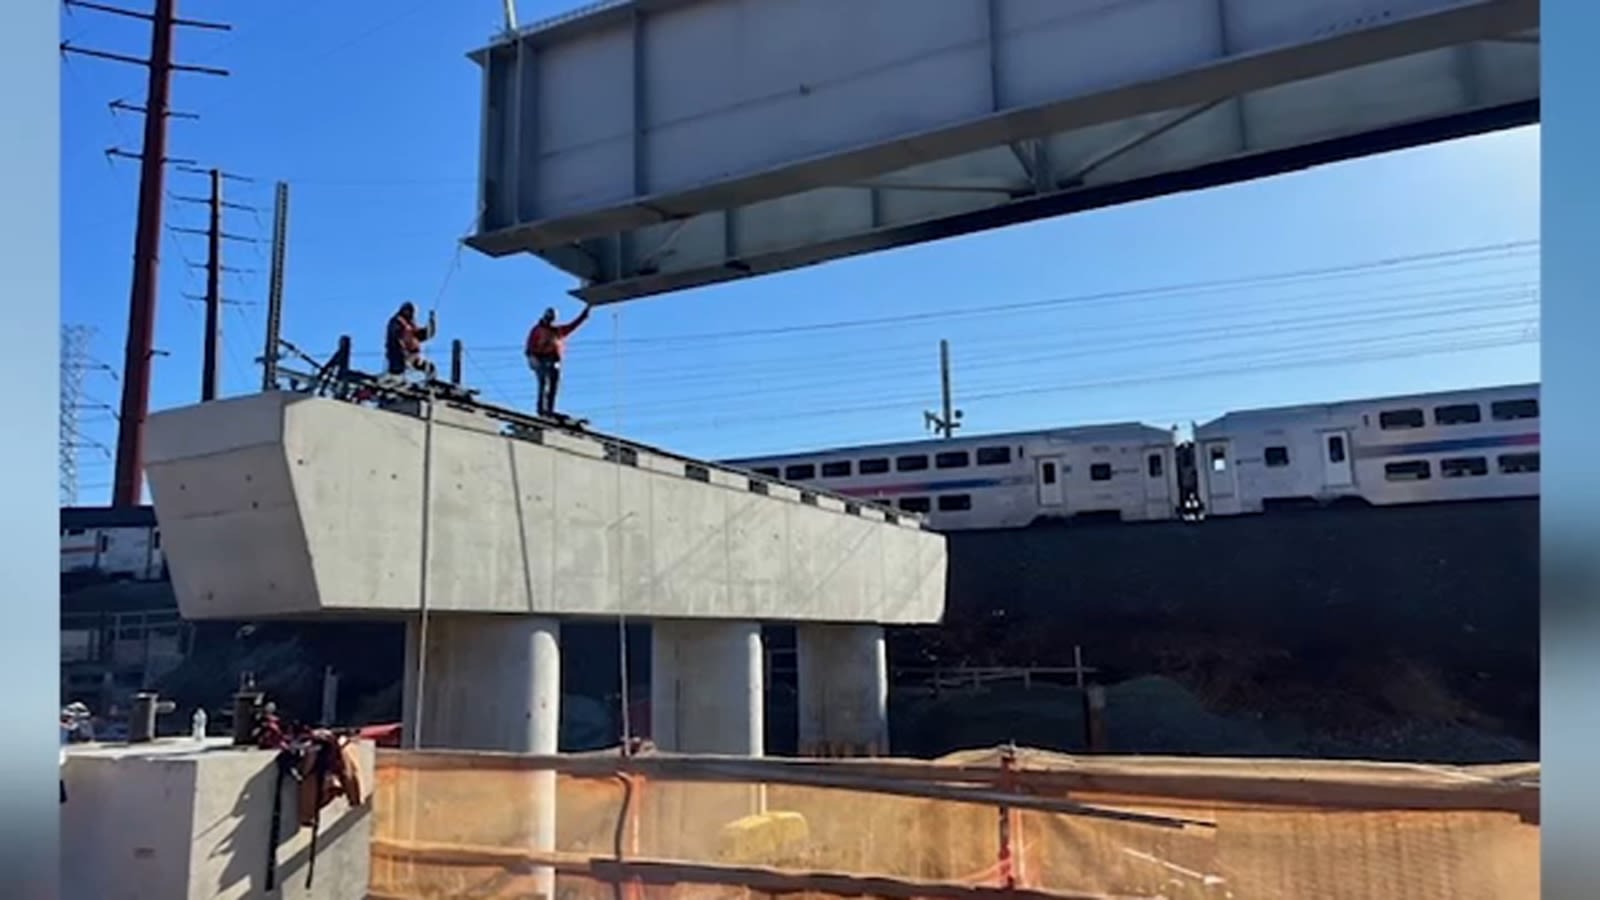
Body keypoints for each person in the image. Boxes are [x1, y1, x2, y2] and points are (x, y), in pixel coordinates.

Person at [525, 303, 591, 417]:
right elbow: (530, 345)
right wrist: (531, 358)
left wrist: (585, 312)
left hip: (554, 360)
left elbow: (573, 325)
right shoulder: (537, 329)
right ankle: (542, 409)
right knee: (544, 383)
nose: (550, 321)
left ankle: (549, 409)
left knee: (553, 386)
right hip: (541, 359)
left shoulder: (557, 331)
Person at [384, 302, 437, 382]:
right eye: (409, 311)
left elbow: (424, 334)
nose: (411, 314)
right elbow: (394, 337)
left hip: (413, 357)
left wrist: (432, 323)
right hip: (399, 357)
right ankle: (397, 380)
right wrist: (402, 351)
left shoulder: (412, 326)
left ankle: (429, 383)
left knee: (429, 368)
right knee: (399, 373)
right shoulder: (397, 321)